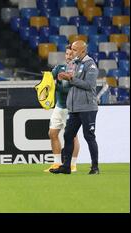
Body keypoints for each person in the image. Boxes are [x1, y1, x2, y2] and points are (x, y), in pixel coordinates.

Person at [50, 40, 100, 175]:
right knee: (68, 135)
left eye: (75, 50)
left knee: (89, 136)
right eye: (71, 49)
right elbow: (68, 84)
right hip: (74, 107)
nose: (72, 52)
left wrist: (70, 79)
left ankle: (95, 167)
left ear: (83, 51)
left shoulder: (91, 65)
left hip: (87, 107)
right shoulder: (73, 64)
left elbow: (89, 85)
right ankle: (66, 166)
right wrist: (63, 79)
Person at [44, 45, 80, 173]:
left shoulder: (79, 69)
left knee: (73, 136)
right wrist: (46, 81)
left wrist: (59, 83)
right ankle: (56, 163)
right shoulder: (59, 68)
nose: (68, 56)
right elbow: (48, 78)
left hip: (72, 108)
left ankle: (73, 164)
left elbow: (70, 87)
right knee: (52, 134)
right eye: (67, 54)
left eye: (71, 54)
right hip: (59, 107)